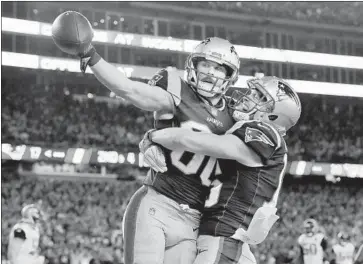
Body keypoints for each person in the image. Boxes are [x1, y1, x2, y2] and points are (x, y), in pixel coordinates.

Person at [54, 16, 240, 264]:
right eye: (205, 64)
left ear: (230, 76)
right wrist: (91, 55)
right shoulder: (177, 92)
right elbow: (131, 90)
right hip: (157, 206)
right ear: (193, 66)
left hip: (196, 221)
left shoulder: (236, 116)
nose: (210, 72)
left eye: (219, 68)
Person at [140, 76, 301, 263]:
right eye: (253, 92)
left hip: (225, 238)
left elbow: (199, 141)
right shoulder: (250, 133)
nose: (249, 96)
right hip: (229, 239)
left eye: (259, 97)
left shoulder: (265, 131)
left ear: (273, 115)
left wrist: (154, 135)